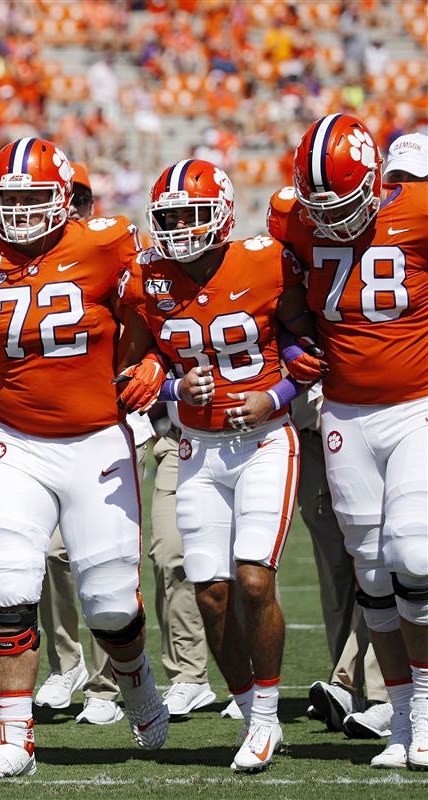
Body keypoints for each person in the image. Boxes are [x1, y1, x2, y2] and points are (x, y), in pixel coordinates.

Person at [0, 137, 168, 781]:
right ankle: (15, 738)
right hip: (14, 438)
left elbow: (155, 312)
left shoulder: (105, 243)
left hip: (96, 439)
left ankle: (137, 682)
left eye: (32, 198)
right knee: (9, 581)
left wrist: (152, 361)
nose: (17, 212)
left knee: (107, 604)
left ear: (64, 200)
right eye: (7, 199)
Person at [118, 158, 320, 772]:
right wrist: (174, 390)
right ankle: (245, 702)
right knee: (209, 594)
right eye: (170, 217)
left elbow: (306, 346)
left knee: (254, 580)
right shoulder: (147, 276)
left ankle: (263, 719)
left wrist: (277, 394)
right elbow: (136, 364)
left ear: (224, 213)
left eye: (192, 214)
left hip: (264, 440)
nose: (180, 228)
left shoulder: (265, 260)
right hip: (197, 448)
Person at [271, 113, 428, 769]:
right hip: (342, 414)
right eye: (320, 208)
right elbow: (278, 304)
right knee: (370, 573)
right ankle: (399, 721)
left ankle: (426, 713)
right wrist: (290, 346)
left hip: (415, 405)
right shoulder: (293, 221)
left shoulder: (417, 207)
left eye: (344, 205)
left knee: (414, 556)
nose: (331, 221)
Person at [37, 163, 215, 723]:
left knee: (145, 556)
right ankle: (78, 672)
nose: (77, 207)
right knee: (60, 557)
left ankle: (155, 677)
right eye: (71, 197)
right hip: (71, 430)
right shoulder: (34, 265)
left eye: (83, 198)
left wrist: (153, 375)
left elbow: (156, 336)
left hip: (134, 425)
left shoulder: (123, 256)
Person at [267, 185, 389, 737]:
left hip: (391, 415)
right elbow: (274, 311)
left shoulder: (402, 235)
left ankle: (369, 684)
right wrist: (292, 346)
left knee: (394, 550)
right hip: (327, 419)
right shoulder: (294, 236)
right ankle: (352, 680)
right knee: (345, 558)